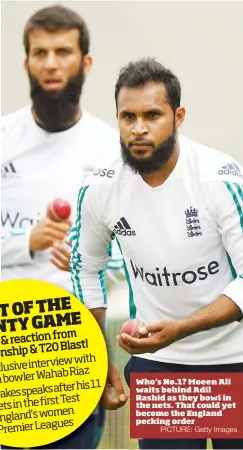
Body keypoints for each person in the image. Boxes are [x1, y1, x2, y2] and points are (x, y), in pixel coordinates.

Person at [69, 58, 243, 450]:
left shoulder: (218, 177)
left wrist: (182, 327)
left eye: (152, 114)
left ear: (178, 116)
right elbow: (86, 268)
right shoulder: (100, 190)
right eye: (127, 116)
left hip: (235, 359)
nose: (139, 128)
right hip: (162, 368)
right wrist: (96, 360)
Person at [1, 4, 124, 449]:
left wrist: (91, 255)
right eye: (41, 52)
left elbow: (136, 253)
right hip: (7, 349)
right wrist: (25, 243)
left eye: (63, 51)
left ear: (85, 62)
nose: (51, 63)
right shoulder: (2, 139)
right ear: (27, 62)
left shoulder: (113, 150)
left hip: (72, 350)